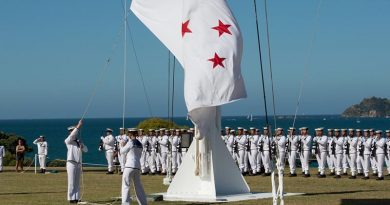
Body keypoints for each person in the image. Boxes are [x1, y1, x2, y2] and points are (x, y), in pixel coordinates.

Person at [121, 128, 147, 205]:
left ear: (130, 134)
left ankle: (125, 203)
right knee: (138, 186)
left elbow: (122, 152)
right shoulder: (140, 144)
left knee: (126, 185)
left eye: (129, 133)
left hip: (129, 166)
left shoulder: (130, 142)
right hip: (137, 166)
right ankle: (143, 203)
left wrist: (121, 145)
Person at [65, 120, 88, 203]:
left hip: (78, 163)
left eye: (73, 130)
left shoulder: (78, 142)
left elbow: (86, 150)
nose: (72, 132)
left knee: (77, 182)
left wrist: (82, 146)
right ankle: (71, 198)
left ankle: (76, 197)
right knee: (71, 181)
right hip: (71, 162)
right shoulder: (68, 140)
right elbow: (72, 135)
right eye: (71, 131)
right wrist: (78, 126)